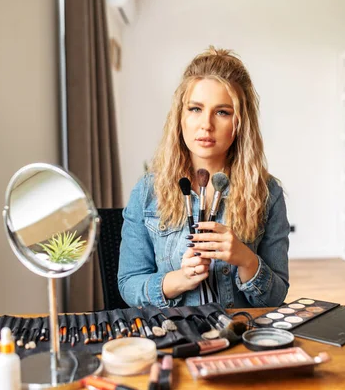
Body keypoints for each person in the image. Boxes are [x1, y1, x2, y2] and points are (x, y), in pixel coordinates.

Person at [117, 46, 290, 309]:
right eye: (195, 109)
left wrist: (246, 260)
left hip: (240, 338)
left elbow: (276, 298)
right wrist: (179, 280)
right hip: (175, 337)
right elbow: (128, 284)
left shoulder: (267, 193)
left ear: (240, 123)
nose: (206, 124)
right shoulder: (147, 192)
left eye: (222, 112)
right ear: (180, 116)